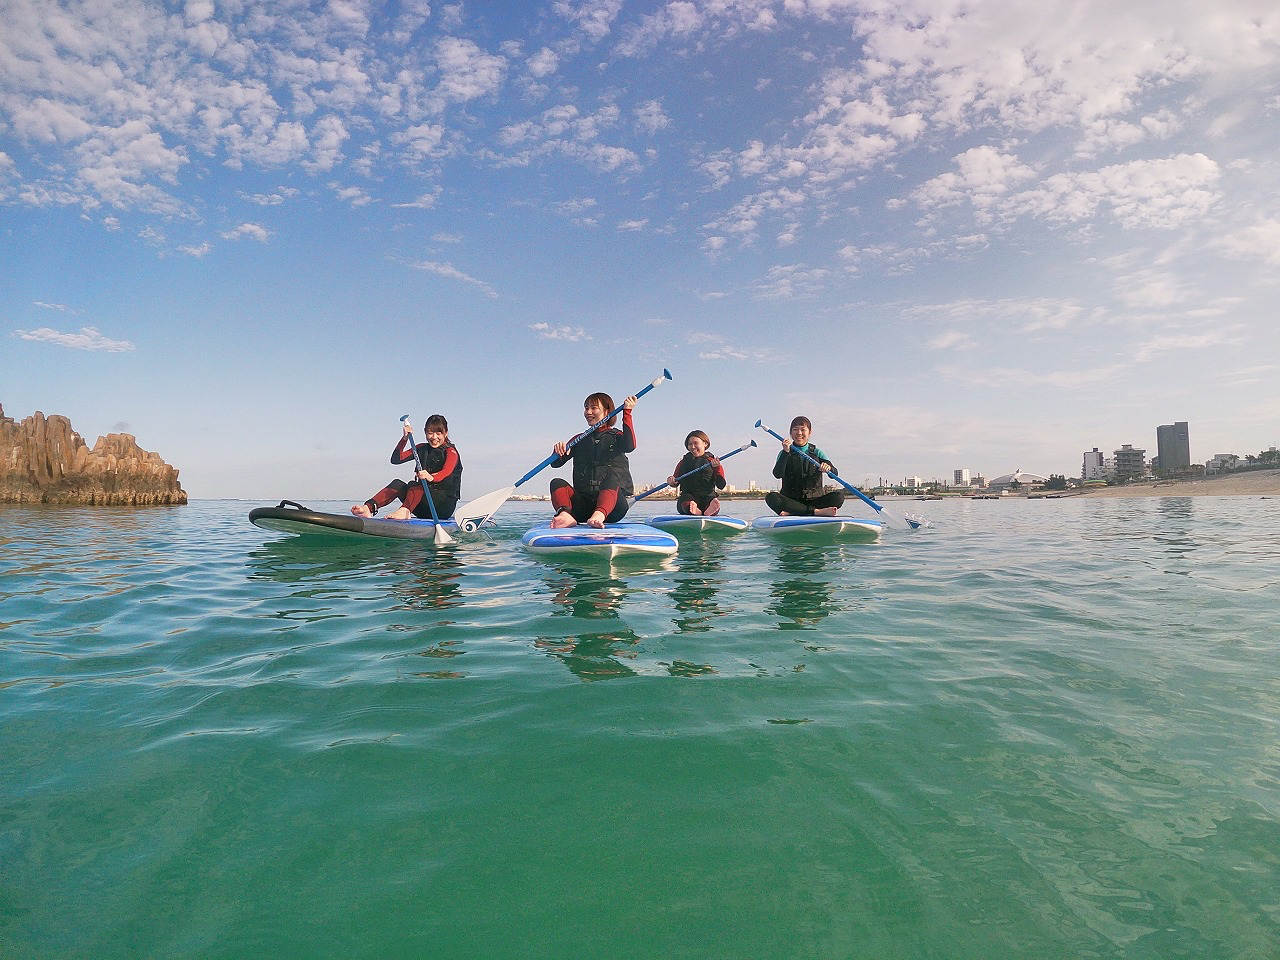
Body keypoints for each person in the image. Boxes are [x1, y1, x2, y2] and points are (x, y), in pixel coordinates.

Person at [548, 392, 638, 528]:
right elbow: (555, 463)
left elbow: (630, 446)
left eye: (594, 408)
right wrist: (557, 452)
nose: (588, 412)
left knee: (612, 477)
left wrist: (627, 413)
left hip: (612, 509)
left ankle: (599, 515)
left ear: (607, 411)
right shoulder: (579, 439)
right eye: (586, 408)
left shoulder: (617, 436)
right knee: (556, 483)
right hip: (583, 509)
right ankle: (565, 516)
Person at [351, 414, 462, 520]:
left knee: (419, 484)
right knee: (397, 484)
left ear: (445, 433)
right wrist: (404, 439)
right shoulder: (421, 448)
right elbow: (396, 459)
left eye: (439, 433)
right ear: (425, 432)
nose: (434, 437)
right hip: (422, 505)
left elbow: (446, 471)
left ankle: (404, 511)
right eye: (430, 433)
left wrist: (431, 477)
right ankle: (368, 509)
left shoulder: (451, 452)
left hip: (442, 507)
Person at [765, 416, 846, 517]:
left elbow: (835, 473)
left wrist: (828, 468)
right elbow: (777, 474)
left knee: (839, 497)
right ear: (791, 433)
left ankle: (794, 513)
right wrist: (786, 452)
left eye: (803, 430)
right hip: (792, 502)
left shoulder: (817, 452)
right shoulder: (784, 452)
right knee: (771, 497)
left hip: (814, 500)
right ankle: (815, 512)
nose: (799, 433)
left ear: (810, 432)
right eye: (795, 429)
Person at [668, 430, 726, 516]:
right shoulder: (683, 463)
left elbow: (721, 485)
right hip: (688, 498)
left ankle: (709, 510)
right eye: (690, 444)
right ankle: (694, 509)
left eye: (695, 443)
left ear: (705, 444)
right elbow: (675, 482)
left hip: (707, 497)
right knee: (685, 500)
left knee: (711, 501)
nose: (692, 446)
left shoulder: (713, 463)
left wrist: (716, 468)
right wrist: (671, 481)